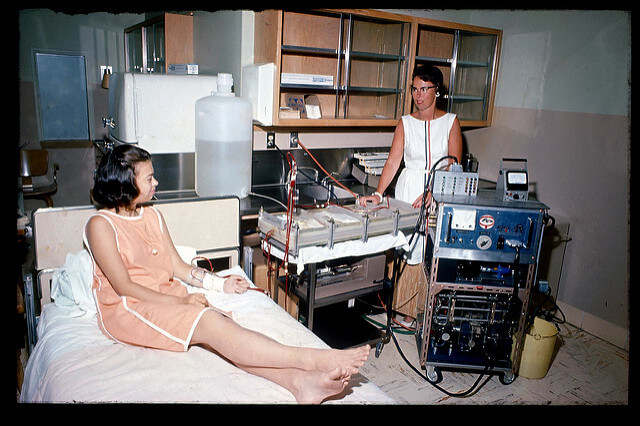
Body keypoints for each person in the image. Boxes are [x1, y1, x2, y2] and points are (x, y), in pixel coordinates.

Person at [84, 144, 370, 404]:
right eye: (148, 178)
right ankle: (315, 359)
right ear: (124, 182)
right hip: (128, 309)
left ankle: (299, 384)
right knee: (211, 323)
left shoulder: (153, 215)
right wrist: (182, 303)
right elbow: (124, 287)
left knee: (223, 329)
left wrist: (217, 283)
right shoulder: (101, 225)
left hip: (163, 296)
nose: (156, 183)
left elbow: (179, 268)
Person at [359, 64, 462, 322]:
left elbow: (454, 165)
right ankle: (403, 309)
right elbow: (394, 161)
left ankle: (427, 312)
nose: (418, 95)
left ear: (437, 91)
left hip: (437, 194)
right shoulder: (405, 123)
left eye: (424, 89)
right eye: (415, 89)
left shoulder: (451, 122)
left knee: (431, 252)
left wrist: (435, 194)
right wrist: (380, 194)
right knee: (407, 250)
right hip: (409, 190)